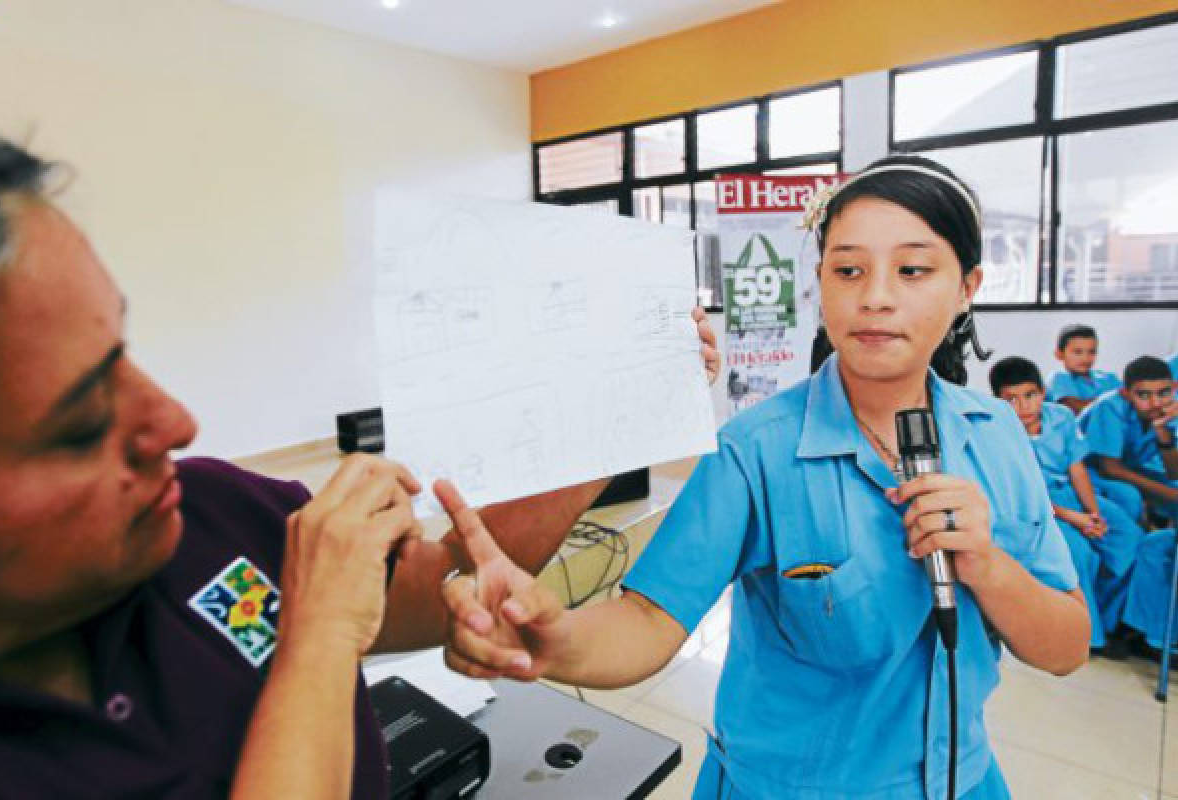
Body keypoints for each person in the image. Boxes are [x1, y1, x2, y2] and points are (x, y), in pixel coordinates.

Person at [0, 128, 722, 798]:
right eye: (81, 421)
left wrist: (611, 419)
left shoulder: (208, 513)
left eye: (123, 355)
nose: (176, 422)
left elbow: (437, 588)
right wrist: (320, 629)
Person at [438, 155, 1090, 800]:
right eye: (849, 269)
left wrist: (986, 565)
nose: (875, 296)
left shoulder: (999, 434)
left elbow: (1067, 646)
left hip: (962, 782)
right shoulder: (755, 450)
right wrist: (555, 638)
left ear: (967, 287)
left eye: (913, 269)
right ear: (820, 282)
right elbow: (646, 620)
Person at [989, 356, 1144, 652]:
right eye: (1012, 399)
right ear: (998, 401)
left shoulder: (1061, 417)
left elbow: (1076, 469)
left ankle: (1113, 619)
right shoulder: (997, 432)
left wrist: (1093, 513)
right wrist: (1075, 519)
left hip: (1072, 493)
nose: (1023, 407)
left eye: (1030, 395)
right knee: (1078, 551)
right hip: (1035, 505)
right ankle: (1090, 636)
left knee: (1129, 537)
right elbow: (1023, 490)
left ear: (1043, 393)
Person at [1079, 356, 1178, 527]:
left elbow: (1174, 473)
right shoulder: (1109, 407)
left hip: (1129, 468)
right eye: (1143, 395)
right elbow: (1109, 468)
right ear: (1126, 394)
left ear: (1174, 388)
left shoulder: (1169, 409)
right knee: (1129, 497)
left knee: (1172, 488)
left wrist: (1162, 431)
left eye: (1163, 393)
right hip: (1088, 470)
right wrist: (1170, 494)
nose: (1155, 403)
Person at [1045, 324, 1121, 415]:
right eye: (1077, 352)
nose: (1085, 358)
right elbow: (1077, 409)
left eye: (1092, 352)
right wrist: (1115, 401)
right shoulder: (1059, 378)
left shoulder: (1109, 377)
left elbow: (1132, 401)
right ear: (1059, 354)